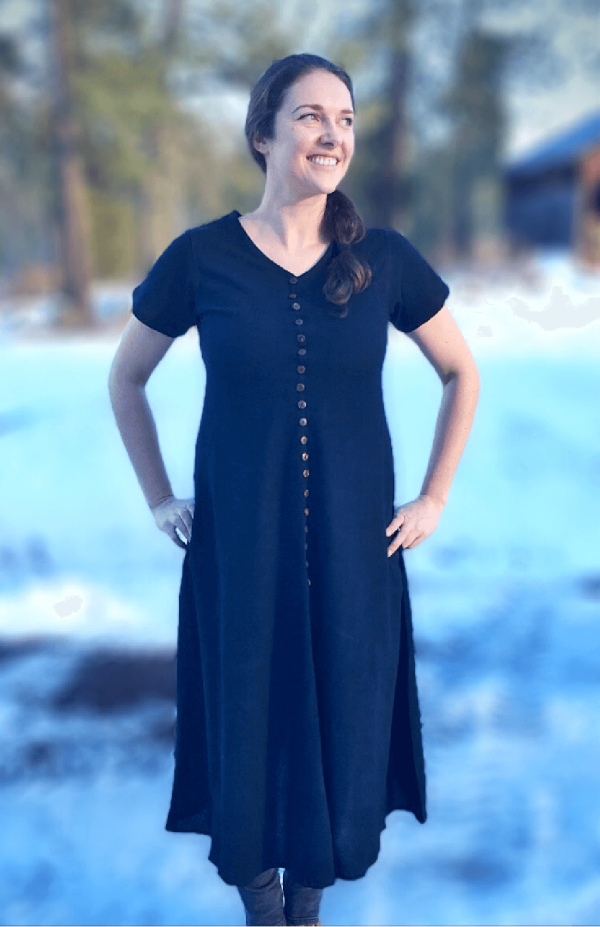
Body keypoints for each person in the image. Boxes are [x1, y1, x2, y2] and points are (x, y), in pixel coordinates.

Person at [108, 52, 479, 927]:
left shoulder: (383, 259)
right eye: (311, 115)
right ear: (262, 134)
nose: (332, 134)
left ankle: (305, 908)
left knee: (344, 728)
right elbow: (126, 378)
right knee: (248, 726)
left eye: (345, 120)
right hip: (240, 554)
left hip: (355, 558)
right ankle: (262, 905)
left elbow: (461, 371)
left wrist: (433, 496)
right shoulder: (201, 257)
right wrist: (161, 497)